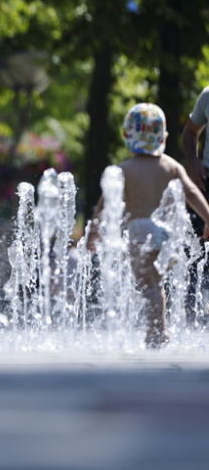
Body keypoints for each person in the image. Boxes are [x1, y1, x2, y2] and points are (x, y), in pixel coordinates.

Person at [88, 103, 209, 348]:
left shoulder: (123, 169)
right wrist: (208, 217)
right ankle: (156, 329)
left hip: (140, 231)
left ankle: (158, 331)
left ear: (126, 136)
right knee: (156, 283)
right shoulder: (171, 166)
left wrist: (93, 231)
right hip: (165, 232)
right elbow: (192, 192)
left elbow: (104, 204)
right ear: (163, 137)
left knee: (148, 285)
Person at [181, 87, 209, 326]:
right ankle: (191, 320)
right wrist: (194, 162)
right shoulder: (208, 95)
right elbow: (190, 133)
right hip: (206, 181)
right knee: (197, 253)